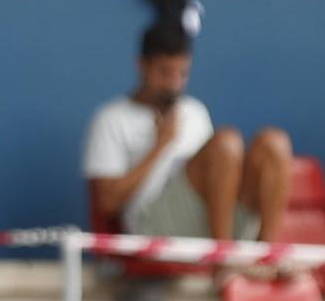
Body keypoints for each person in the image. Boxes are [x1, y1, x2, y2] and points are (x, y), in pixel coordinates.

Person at [83, 22, 291, 244]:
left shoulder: (195, 110)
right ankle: (222, 260)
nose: (174, 83)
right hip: (153, 226)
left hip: (208, 220)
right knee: (226, 142)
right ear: (142, 65)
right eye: (164, 72)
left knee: (274, 144)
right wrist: (160, 145)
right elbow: (107, 202)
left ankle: (270, 254)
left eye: (182, 73)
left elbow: (218, 175)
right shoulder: (111, 118)